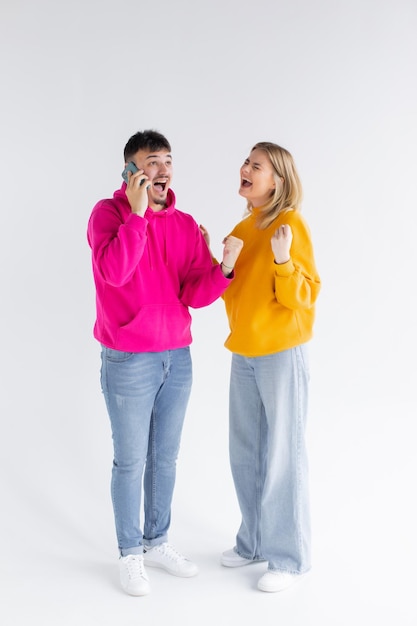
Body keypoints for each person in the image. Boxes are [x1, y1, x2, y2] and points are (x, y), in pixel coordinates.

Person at [87, 129, 243, 596]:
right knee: (131, 461)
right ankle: (129, 553)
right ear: (131, 172)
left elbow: (193, 292)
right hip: (129, 359)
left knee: (165, 459)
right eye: (152, 161)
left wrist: (224, 270)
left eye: (168, 161)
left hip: (177, 357)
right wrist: (136, 217)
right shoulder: (106, 214)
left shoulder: (184, 223)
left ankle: (157, 541)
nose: (163, 170)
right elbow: (114, 272)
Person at [203, 141, 320, 593]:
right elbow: (234, 297)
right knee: (245, 452)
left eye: (257, 166)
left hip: (281, 352)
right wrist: (220, 261)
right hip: (245, 352)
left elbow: (304, 296)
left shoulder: (290, 225)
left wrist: (284, 260)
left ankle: (288, 558)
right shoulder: (242, 226)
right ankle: (252, 542)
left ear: (278, 181)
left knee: (283, 455)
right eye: (246, 162)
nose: (245, 169)